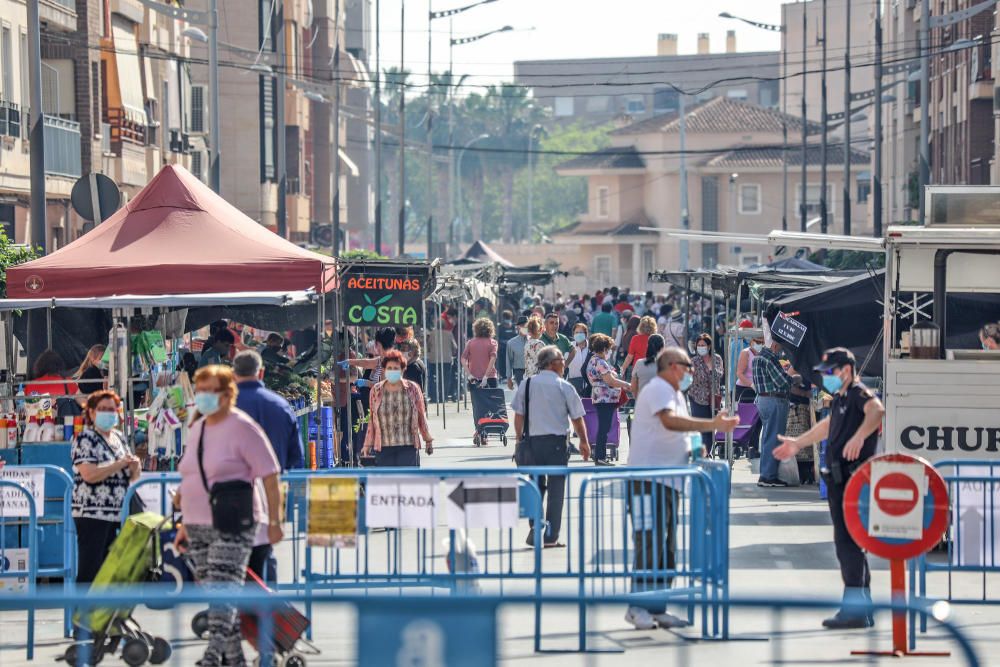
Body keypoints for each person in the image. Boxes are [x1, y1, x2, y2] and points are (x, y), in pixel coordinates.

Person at [173, 365, 283, 667]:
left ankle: (211, 656)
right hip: (197, 524)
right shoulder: (198, 428)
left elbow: (270, 477)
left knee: (223, 590)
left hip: (233, 523)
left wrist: (275, 521)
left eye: (210, 390)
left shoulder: (242, 427)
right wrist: (183, 521)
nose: (204, 396)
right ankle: (235, 660)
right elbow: (190, 475)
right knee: (219, 596)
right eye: (201, 389)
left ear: (226, 393)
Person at [625, 347, 738, 630]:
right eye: (688, 366)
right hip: (647, 481)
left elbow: (682, 431)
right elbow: (670, 421)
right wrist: (711, 425)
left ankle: (658, 607)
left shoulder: (676, 394)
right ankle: (638, 605)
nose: (692, 371)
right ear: (674, 366)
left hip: (668, 482)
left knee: (666, 548)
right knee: (648, 543)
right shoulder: (658, 389)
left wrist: (697, 448)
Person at [775, 347, 885, 630]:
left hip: (851, 480)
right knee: (850, 546)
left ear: (845, 370)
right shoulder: (841, 397)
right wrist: (798, 443)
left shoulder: (858, 393)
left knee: (848, 545)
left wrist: (860, 437)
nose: (828, 378)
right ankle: (862, 607)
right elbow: (827, 426)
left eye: (830, 372)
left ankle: (854, 610)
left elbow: (877, 410)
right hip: (840, 481)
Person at [232, 350, 302, 582]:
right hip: (272, 489)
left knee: (229, 558)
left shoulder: (224, 408)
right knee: (265, 553)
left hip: (230, 493)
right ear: (261, 372)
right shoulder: (280, 405)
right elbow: (296, 457)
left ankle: (233, 613)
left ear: (233, 374)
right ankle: (266, 611)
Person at [512, 346, 591, 547]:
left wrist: (518, 438)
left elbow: (518, 415)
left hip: (532, 443)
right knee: (556, 490)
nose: (564, 364)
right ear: (551, 363)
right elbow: (577, 418)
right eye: (561, 360)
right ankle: (551, 535)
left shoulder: (527, 384)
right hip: (556, 444)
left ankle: (536, 527)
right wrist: (584, 441)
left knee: (535, 487)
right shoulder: (564, 386)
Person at [71, 390, 140, 584]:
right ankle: (82, 612)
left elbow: (132, 477)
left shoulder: (119, 438)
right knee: (90, 569)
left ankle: (103, 613)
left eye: (112, 409)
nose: (108, 413)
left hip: (117, 514)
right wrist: (119, 464)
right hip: (92, 514)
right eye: (102, 409)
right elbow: (89, 474)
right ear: (91, 413)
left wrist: (135, 466)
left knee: (110, 572)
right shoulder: (86, 439)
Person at [362, 350, 433, 466]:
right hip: (383, 448)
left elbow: (421, 415)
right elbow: (372, 419)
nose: (392, 371)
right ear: (384, 370)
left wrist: (427, 439)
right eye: (389, 368)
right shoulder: (376, 390)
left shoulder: (413, 388)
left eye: (396, 368)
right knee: (387, 483)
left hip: (408, 446)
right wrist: (367, 444)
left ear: (403, 369)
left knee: (407, 482)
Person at [753, 339, 795, 487]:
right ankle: (768, 476)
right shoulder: (770, 358)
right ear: (775, 345)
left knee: (767, 437)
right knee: (773, 438)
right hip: (774, 400)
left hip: (762, 400)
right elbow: (782, 381)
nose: (780, 350)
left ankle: (766, 473)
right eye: (781, 346)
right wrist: (793, 378)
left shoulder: (758, 357)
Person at [586, 334, 631, 465]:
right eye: (608, 348)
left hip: (601, 398)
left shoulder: (593, 360)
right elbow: (610, 380)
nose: (609, 351)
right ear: (604, 348)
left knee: (603, 428)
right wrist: (626, 384)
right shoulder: (600, 362)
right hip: (604, 399)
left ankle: (600, 456)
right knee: (604, 428)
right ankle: (600, 457)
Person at [688, 334, 724, 451]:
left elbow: (719, 374)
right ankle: (702, 453)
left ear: (709, 346)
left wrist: (711, 369)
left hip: (713, 398)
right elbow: (693, 378)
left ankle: (707, 452)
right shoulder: (694, 361)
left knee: (712, 427)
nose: (700, 347)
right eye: (698, 345)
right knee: (701, 428)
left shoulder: (717, 358)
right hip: (697, 398)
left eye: (703, 345)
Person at [426, 317, 458, 402]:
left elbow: (428, 346)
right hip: (446, 359)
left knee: (433, 378)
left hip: (434, 359)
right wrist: (452, 353)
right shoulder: (449, 333)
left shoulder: (432, 333)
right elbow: (455, 347)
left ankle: (434, 397)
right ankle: (444, 397)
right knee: (445, 379)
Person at [461, 318, 499, 389]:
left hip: (474, 378)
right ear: (490, 329)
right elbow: (493, 359)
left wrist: (469, 374)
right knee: (491, 399)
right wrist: (486, 376)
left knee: (476, 399)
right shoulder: (492, 342)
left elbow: (463, 359)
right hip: (490, 377)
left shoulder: (470, 342)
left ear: (476, 329)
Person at [630, 333, 665, 398]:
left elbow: (633, 388)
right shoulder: (667, 365)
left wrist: (638, 400)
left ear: (648, 346)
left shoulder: (639, 363)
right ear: (662, 348)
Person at [735, 334, 764, 403]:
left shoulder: (762, 353)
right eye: (758, 342)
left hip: (759, 389)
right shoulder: (745, 353)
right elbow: (739, 373)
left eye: (762, 342)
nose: (760, 344)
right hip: (744, 389)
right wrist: (751, 385)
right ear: (752, 342)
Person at [505, 316, 529, 389]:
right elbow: (509, 361)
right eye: (522, 325)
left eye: (526, 325)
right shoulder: (511, 343)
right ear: (517, 327)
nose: (524, 327)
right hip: (519, 372)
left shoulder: (535, 341)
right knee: (524, 393)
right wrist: (509, 378)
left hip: (533, 371)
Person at [566, 323, 590, 395]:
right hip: (573, 383)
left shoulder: (591, 347)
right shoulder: (569, 346)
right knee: (573, 405)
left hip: (588, 384)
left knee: (587, 405)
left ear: (586, 334)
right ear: (573, 334)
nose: (578, 334)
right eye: (576, 332)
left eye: (581, 332)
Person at [496, 309, 517, 379]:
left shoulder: (514, 327)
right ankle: (503, 375)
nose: (507, 320)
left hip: (512, 349)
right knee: (503, 362)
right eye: (506, 318)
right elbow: (497, 338)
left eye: (508, 318)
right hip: (503, 349)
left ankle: (512, 374)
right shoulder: (500, 327)